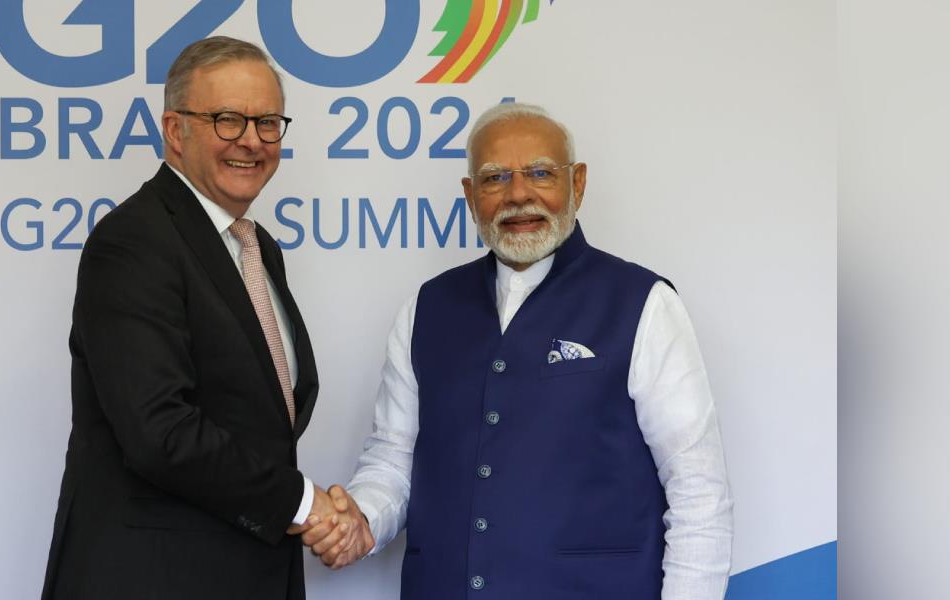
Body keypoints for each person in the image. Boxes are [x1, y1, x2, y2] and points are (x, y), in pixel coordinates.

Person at [301, 102, 734, 598]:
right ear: (469, 195)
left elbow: (699, 492)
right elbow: (394, 461)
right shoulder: (426, 309)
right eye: (494, 178)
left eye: (541, 173)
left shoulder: (644, 303)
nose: (518, 194)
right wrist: (360, 521)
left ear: (579, 184)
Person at [40, 36, 358, 600]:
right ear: (174, 130)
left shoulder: (257, 248)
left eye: (267, 122)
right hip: (153, 579)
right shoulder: (134, 242)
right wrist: (306, 505)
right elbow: (159, 432)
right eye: (228, 120)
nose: (252, 142)